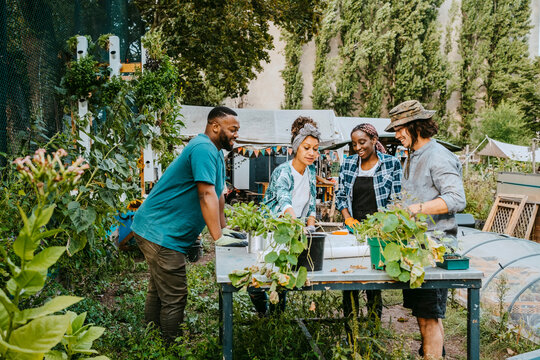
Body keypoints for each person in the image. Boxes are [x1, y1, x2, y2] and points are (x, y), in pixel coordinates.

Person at [131, 106, 242, 341]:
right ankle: (170, 348)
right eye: (232, 129)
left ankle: (152, 342)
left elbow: (219, 194)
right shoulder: (203, 148)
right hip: (160, 232)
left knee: (159, 289)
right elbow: (205, 194)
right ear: (215, 126)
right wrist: (217, 237)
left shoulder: (215, 152)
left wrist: (223, 228)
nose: (236, 135)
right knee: (174, 295)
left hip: (157, 229)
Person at [385, 100, 466, 359]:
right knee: (423, 315)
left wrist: (416, 208)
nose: (396, 134)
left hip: (435, 250)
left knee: (430, 318)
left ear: (415, 126)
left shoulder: (438, 155)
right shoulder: (412, 156)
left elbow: (456, 198)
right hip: (416, 251)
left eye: (399, 128)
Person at [250, 116, 321, 315]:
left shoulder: (310, 170)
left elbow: (312, 202)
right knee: (259, 276)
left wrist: (311, 224)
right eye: (306, 147)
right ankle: (263, 314)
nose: (311, 153)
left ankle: (276, 319)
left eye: (315, 149)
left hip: (291, 232)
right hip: (271, 231)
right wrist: (296, 222)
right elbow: (284, 202)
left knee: (282, 276)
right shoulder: (284, 172)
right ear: (296, 147)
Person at [335, 123, 402, 329]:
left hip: (379, 231)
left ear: (374, 140)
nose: (358, 148)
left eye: (362, 142)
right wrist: (347, 218)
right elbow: (341, 196)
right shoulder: (348, 164)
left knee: (374, 280)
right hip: (353, 230)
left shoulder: (391, 164)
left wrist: (382, 225)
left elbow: (397, 199)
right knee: (350, 278)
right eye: (354, 144)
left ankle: (374, 327)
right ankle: (351, 326)